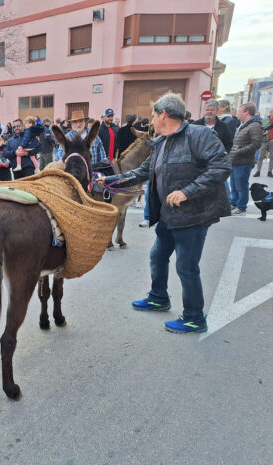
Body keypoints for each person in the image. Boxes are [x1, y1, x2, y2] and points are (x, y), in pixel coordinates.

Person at [96, 93, 231, 334]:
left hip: (194, 215)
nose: (152, 121)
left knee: (186, 267)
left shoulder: (200, 135)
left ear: (164, 114)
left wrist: (187, 191)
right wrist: (110, 180)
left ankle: (194, 318)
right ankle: (158, 297)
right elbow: (140, 172)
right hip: (169, 215)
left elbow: (221, 166)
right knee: (158, 256)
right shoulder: (160, 143)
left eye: (153, 116)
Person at [229, 102, 262, 215]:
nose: (237, 113)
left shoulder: (255, 125)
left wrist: (239, 151)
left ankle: (241, 207)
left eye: (239, 111)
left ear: (246, 112)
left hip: (244, 161)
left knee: (241, 185)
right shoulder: (244, 124)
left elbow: (256, 144)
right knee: (233, 184)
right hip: (235, 160)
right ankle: (234, 203)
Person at [254, 107, 273, 177]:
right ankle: (258, 171)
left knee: (272, 157)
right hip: (264, 140)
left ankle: (270, 171)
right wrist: (262, 133)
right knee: (260, 157)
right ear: (270, 112)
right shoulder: (264, 120)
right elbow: (260, 130)